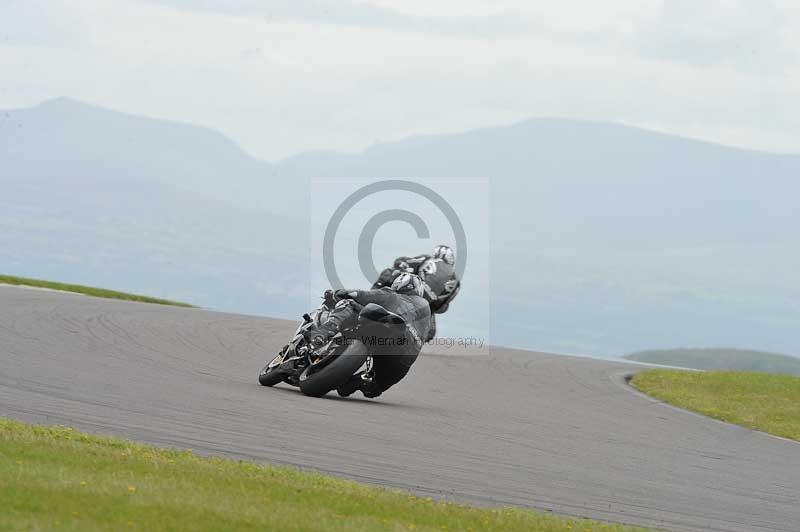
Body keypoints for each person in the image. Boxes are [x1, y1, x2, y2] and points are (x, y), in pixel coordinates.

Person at [307, 273, 432, 398]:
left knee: (348, 303)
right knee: (371, 389)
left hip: (390, 332)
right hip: (404, 362)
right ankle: (361, 380)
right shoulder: (426, 316)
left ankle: (321, 334)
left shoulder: (394, 296)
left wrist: (335, 293)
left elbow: (359, 295)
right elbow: (429, 335)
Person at [372, 245, 461, 340]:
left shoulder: (428, 259)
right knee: (430, 333)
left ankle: (372, 297)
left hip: (408, 295)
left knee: (389, 272)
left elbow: (402, 262)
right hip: (425, 309)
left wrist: (402, 271)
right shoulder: (456, 283)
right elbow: (442, 308)